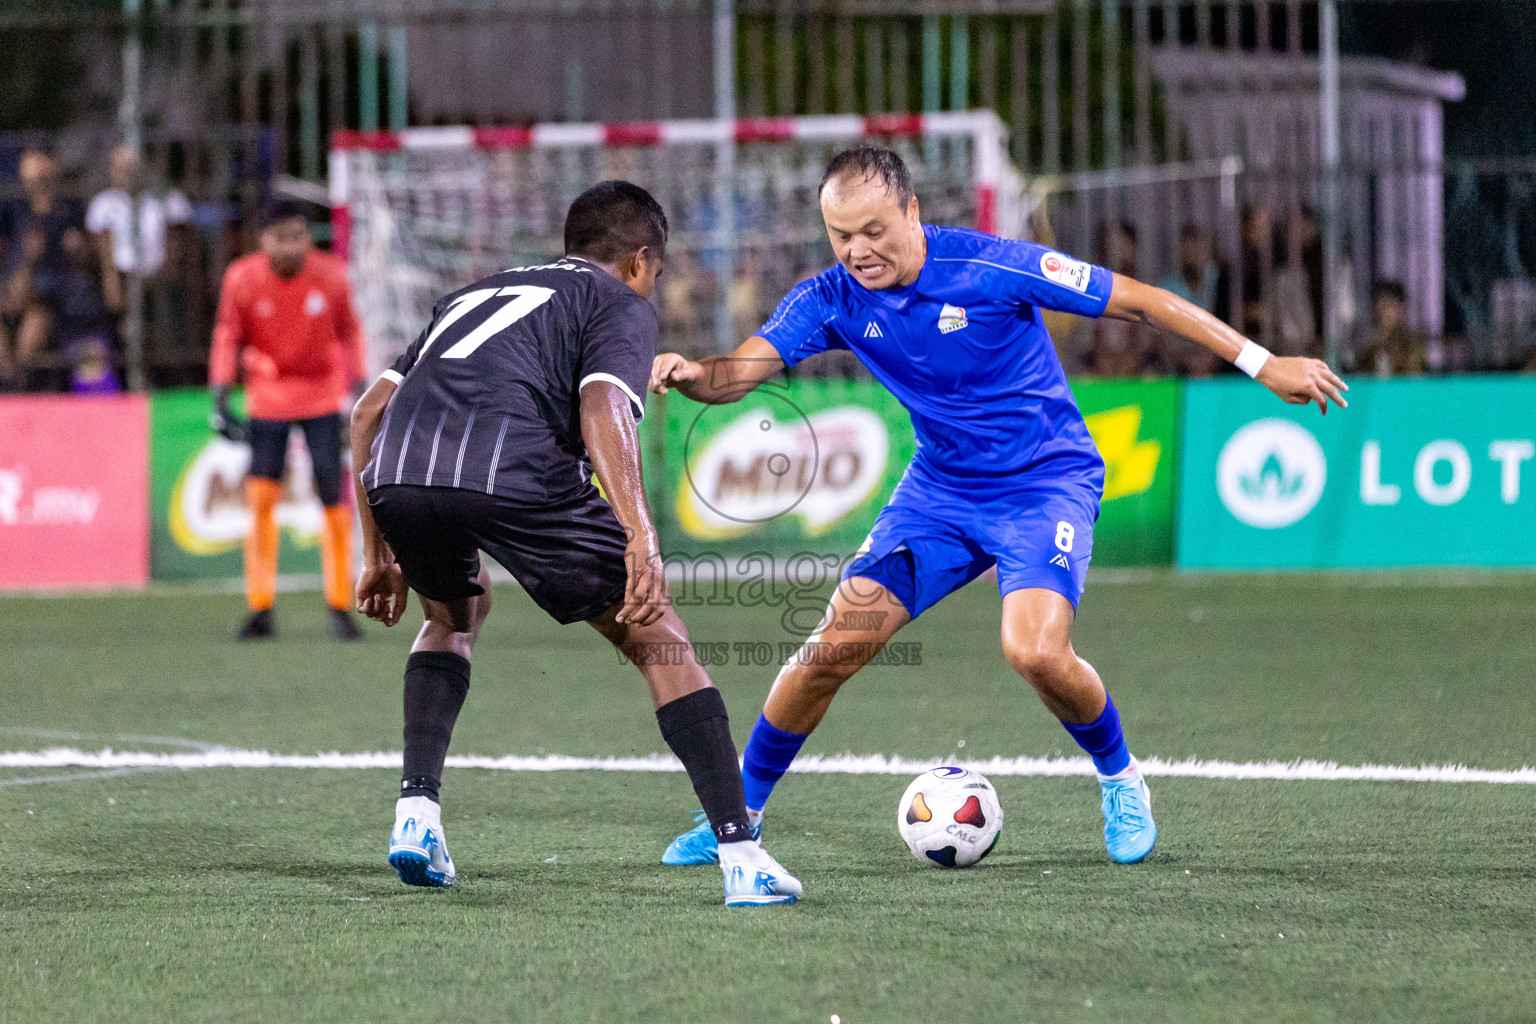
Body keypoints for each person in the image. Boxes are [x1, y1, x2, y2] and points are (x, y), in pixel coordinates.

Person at [651, 145, 1347, 871]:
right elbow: (743, 370)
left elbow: (1140, 300)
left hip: (1045, 483)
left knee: (1035, 651)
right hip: (940, 494)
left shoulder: (992, 267)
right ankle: (738, 819)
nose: (858, 250)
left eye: (874, 230)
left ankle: (1121, 778)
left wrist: (1264, 364)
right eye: (841, 235)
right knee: (830, 647)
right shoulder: (830, 297)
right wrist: (696, 374)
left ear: (913, 211)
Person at [348, 180, 802, 907]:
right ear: (640, 260)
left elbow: (368, 415)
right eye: (656, 273)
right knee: (655, 631)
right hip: (512, 467)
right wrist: (639, 534)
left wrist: (376, 553)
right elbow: (601, 408)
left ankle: (416, 815)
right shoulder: (616, 300)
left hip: (400, 473)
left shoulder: (473, 294)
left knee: (452, 616)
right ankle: (742, 856)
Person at [208, 198, 366, 641]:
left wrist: (358, 384)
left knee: (333, 499)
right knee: (261, 501)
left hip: (321, 397)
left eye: (299, 236)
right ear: (264, 240)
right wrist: (220, 393)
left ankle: (340, 604)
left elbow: (350, 331)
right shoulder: (242, 278)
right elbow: (227, 334)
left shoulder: (331, 275)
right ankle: (260, 607)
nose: (291, 246)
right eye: (281, 237)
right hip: (268, 399)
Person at [0, 148, 85, 389]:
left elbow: (77, 261)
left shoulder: (69, 209)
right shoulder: (17, 211)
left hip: (53, 293)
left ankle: (18, 385)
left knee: (37, 315)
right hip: (18, 286)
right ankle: (7, 382)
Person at [85, 142, 194, 321]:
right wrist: (113, 286)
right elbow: (103, 255)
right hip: (121, 281)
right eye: (117, 167)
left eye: (127, 168)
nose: (122, 173)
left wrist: (161, 277)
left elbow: (179, 247)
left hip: (162, 280)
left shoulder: (169, 199)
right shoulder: (103, 203)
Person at [1358, 280, 1426, 377]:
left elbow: (1416, 373)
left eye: (1393, 306)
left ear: (1401, 309)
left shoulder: (1413, 341)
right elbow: (1360, 375)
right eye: (1384, 306)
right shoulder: (1367, 342)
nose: (1388, 313)